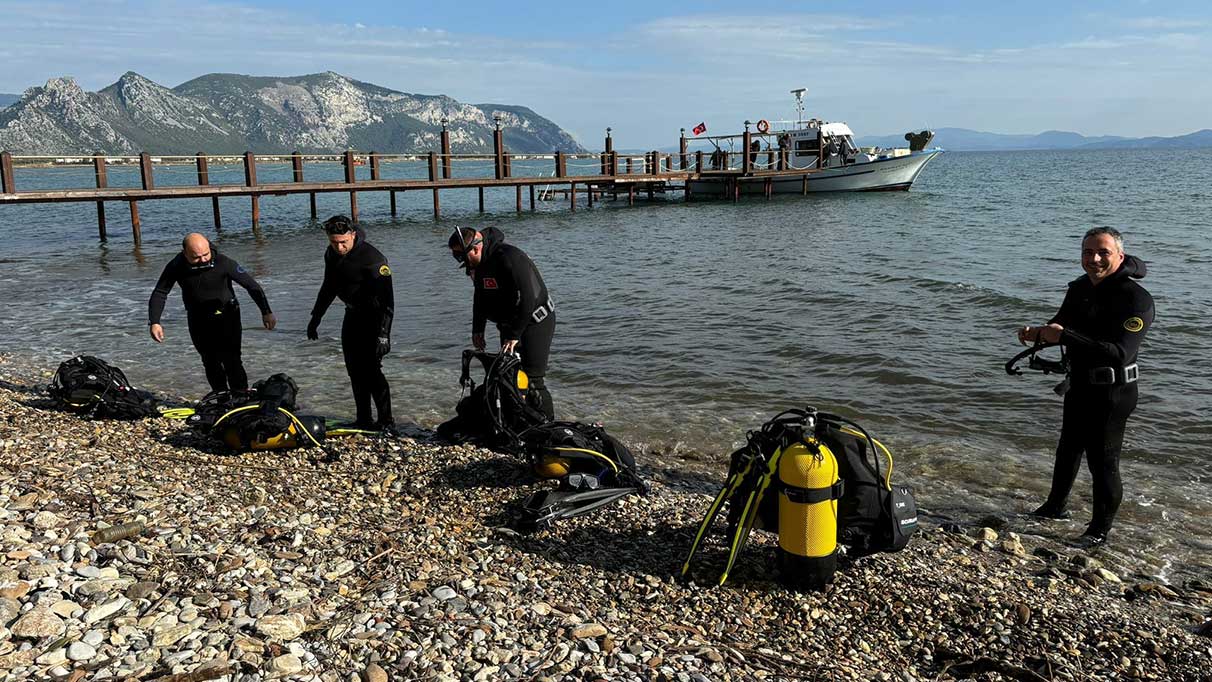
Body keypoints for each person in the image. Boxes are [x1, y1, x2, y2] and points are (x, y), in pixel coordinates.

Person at [1016, 226, 1154, 547]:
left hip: (1114, 392)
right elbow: (1061, 324)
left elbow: (1120, 353)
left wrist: (1063, 336)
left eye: (1103, 252)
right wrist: (1036, 333)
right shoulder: (1080, 288)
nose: (1094, 259)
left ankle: (1098, 531)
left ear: (1119, 255)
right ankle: (1054, 508)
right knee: (1068, 449)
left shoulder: (1136, 300)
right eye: (1087, 252)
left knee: (1103, 461)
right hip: (1079, 384)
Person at [448, 226, 556, 419]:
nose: (462, 263)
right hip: (509, 325)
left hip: (536, 321)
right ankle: (522, 421)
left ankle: (548, 425)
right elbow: (479, 297)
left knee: (533, 380)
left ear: (475, 249)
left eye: (461, 257)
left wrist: (514, 335)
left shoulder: (509, 257)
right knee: (509, 376)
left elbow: (528, 298)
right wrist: (477, 329)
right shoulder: (477, 266)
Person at [148, 233, 275, 392]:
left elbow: (252, 286)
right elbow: (160, 292)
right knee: (210, 361)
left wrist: (266, 312)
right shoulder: (176, 265)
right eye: (196, 257)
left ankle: (240, 397)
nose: (202, 260)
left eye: (205, 255)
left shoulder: (223, 262)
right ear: (184, 253)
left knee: (232, 360)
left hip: (228, 315)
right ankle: (220, 396)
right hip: (198, 318)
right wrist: (155, 321)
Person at [306, 215, 395, 430]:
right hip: (352, 315)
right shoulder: (331, 254)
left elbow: (388, 301)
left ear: (353, 235)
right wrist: (315, 318)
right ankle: (363, 418)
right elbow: (328, 287)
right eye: (334, 242)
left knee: (372, 371)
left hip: (374, 319)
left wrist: (384, 334)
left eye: (343, 242)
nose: (339, 246)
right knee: (354, 370)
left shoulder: (372, 258)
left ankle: (386, 421)